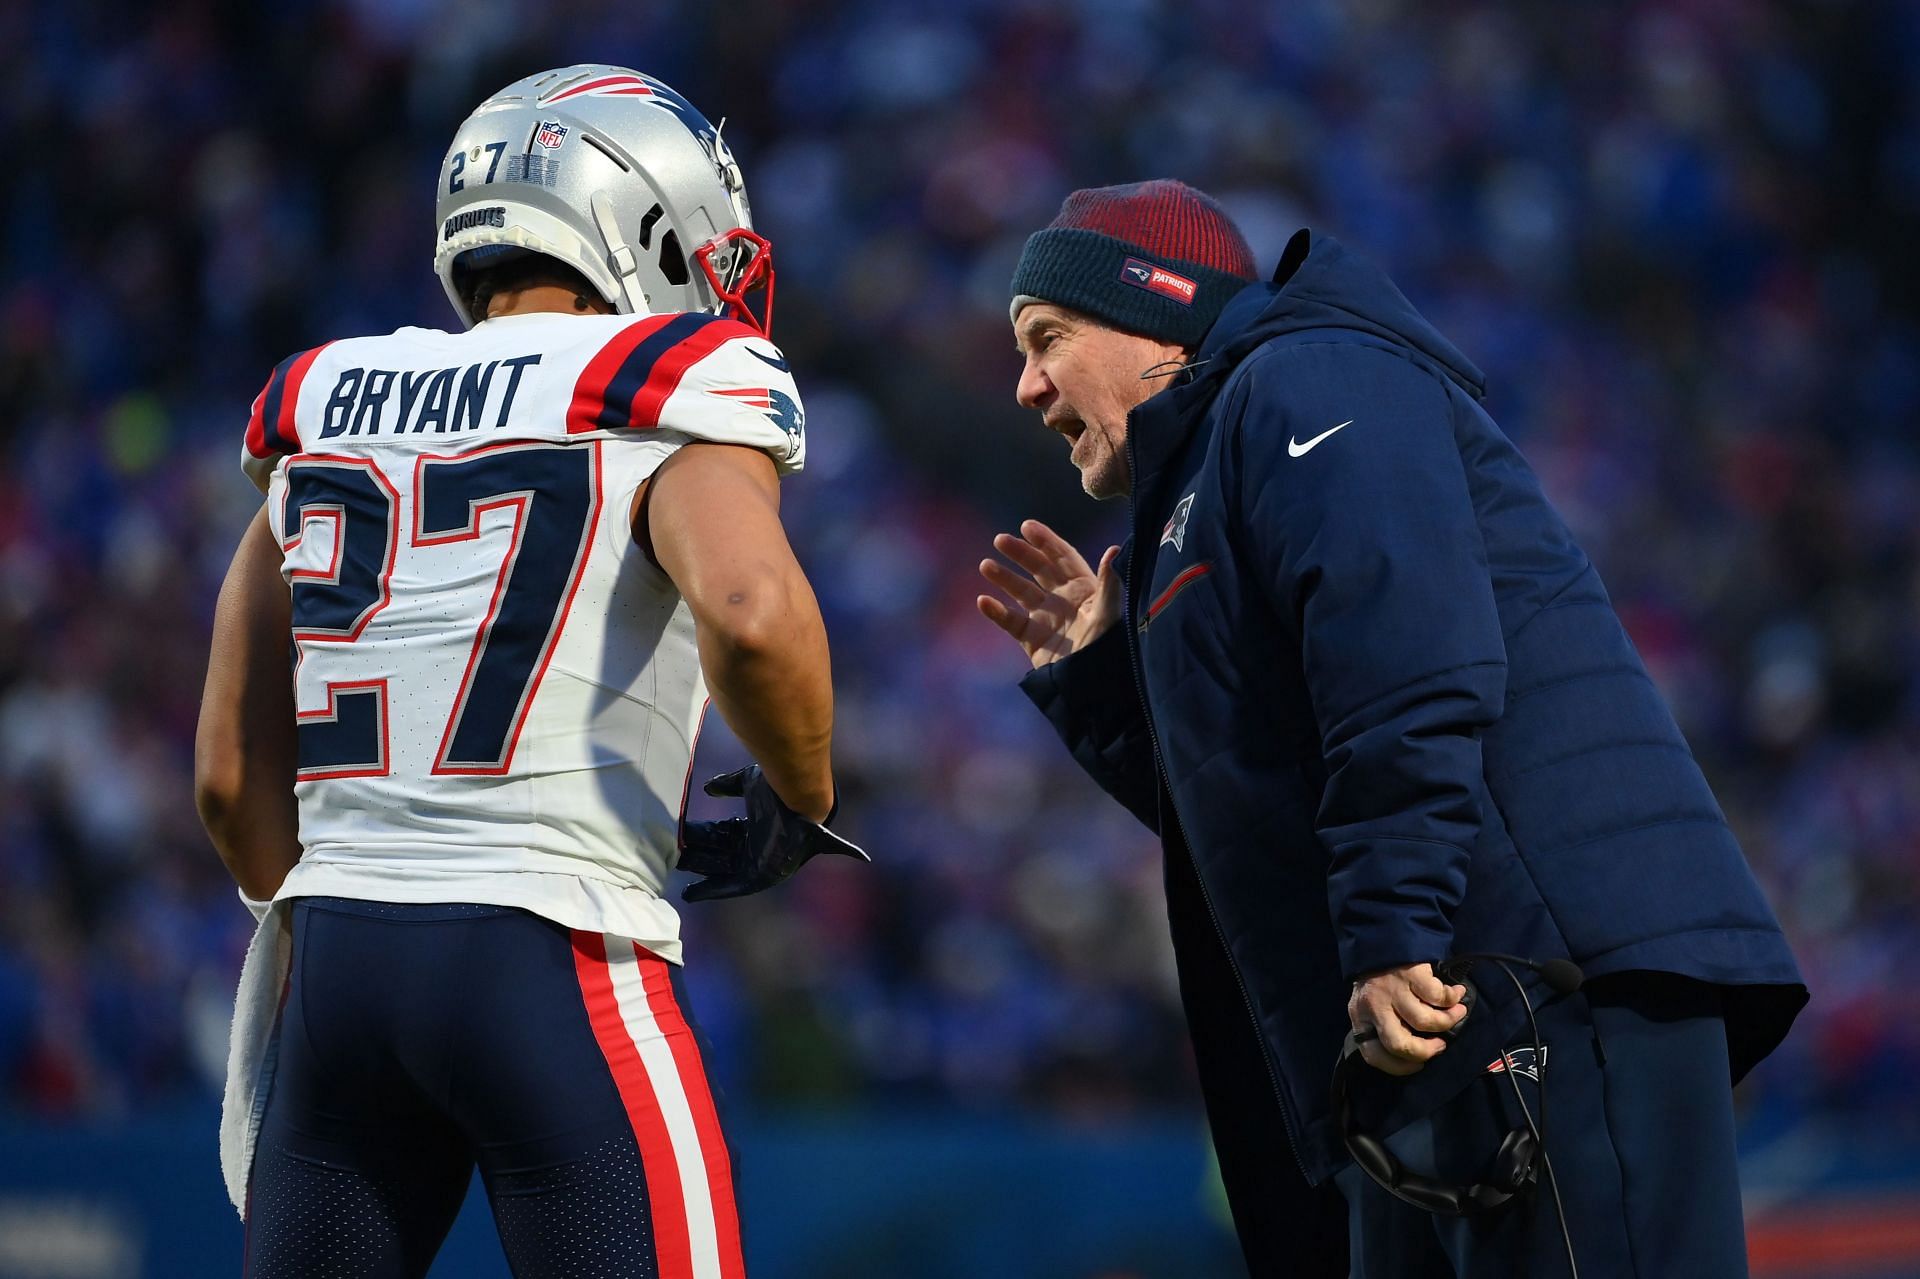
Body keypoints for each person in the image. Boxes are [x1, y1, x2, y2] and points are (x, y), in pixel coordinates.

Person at [977, 179, 1807, 1278]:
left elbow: (1410, 660)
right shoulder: (1208, 477)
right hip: (1434, 1011)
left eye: (1047, 338)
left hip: (1528, 977)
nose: (1027, 386)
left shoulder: (1306, 373)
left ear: (1156, 307)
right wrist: (1108, 687)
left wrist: (1392, 931)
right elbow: (1260, 803)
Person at [194, 64, 865, 1279]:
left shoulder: (321, 400)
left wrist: (370, 893)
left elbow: (230, 778)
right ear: (640, 217)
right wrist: (804, 793)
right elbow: (754, 614)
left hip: (339, 972)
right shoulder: (666, 386)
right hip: (558, 959)